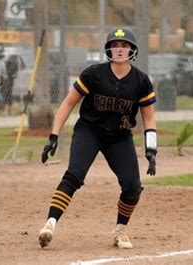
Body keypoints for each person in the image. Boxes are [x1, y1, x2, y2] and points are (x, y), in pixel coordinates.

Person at [37, 27, 157, 249]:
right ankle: (49, 224)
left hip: (119, 137)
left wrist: (151, 149)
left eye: (124, 45)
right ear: (109, 49)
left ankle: (120, 231)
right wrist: (53, 135)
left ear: (132, 50)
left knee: (132, 186)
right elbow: (68, 102)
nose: (120, 49)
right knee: (74, 175)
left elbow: (148, 119)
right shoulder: (94, 74)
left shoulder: (141, 81)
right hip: (89, 131)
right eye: (115, 45)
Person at [0, 50, 9, 115]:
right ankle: (3, 109)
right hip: (7, 79)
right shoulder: (5, 62)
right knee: (5, 95)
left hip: (3, 80)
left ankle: (3, 110)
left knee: (3, 95)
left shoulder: (1, 63)